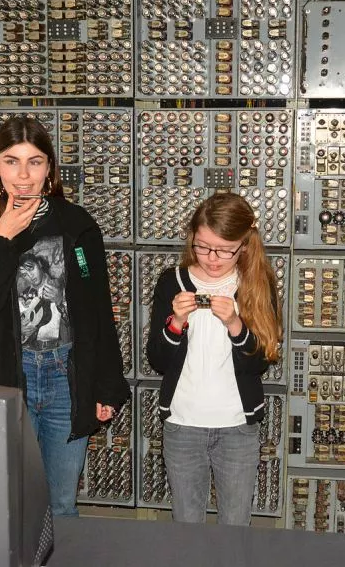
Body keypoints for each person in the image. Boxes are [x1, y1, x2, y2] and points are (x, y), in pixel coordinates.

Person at [0, 116, 130, 516]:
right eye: (12, 161)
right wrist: (3, 237)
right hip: (8, 380)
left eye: (35, 162)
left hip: (67, 376)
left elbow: (99, 311)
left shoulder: (77, 225)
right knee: (10, 504)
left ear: (50, 169)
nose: (24, 175)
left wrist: (107, 386)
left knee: (62, 503)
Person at [146, 192, 282, 526]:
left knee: (235, 527)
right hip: (182, 424)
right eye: (204, 247)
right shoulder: (172, 282)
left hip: (237, 427)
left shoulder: (256, 284)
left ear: (244, 245)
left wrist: (236, 324)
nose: (213, 258)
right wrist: (175, 323)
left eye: (224, 249)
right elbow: (158, 360)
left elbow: (260, 362)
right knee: (186, 525)